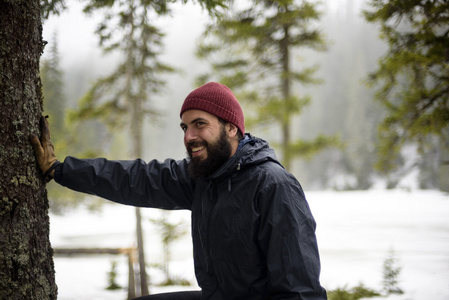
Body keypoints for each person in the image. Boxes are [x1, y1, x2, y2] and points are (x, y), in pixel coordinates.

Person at [30, 82, 327, 300]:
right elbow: (135, 178)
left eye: (200, 124)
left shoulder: (273, 185)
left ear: (232, 128)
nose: (189, 136)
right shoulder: (204, 177)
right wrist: (61, 169)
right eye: (184, 127)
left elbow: (300, 290)